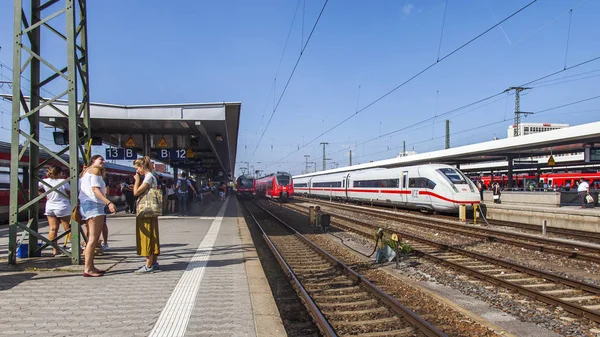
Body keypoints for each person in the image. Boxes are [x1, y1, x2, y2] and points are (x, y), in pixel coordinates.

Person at [79, 155, 117, 277]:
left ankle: (90, 266)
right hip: (94, 205)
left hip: (86, 205)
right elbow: (95, 189)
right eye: (100, 159)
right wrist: (108, 202)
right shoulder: (95, 170)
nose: (103, 162)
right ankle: (88, 269)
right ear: (93, 161)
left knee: (91, 237)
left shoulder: (85, 172)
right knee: (93, 240)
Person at [132, 156, 160, 273]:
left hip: (146, 211)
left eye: (137, 168)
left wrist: (137, 181)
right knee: (153, 234)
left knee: (146, 235)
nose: (136, 171)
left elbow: (136, 192)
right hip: (151, 210)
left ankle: (148, 265)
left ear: (142, 166)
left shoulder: (148, 178)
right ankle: (153, 261)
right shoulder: (152, 176)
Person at [38, 166, 71, 256]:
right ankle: (75, 247)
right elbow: (70, 194)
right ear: (60, 173)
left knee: (52, 229)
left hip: (50, 207)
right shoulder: (63, 182)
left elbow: (36, 189)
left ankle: (55, 250)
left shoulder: (44, 181)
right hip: (63, 207)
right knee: (69, 229)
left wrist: (45, 195)